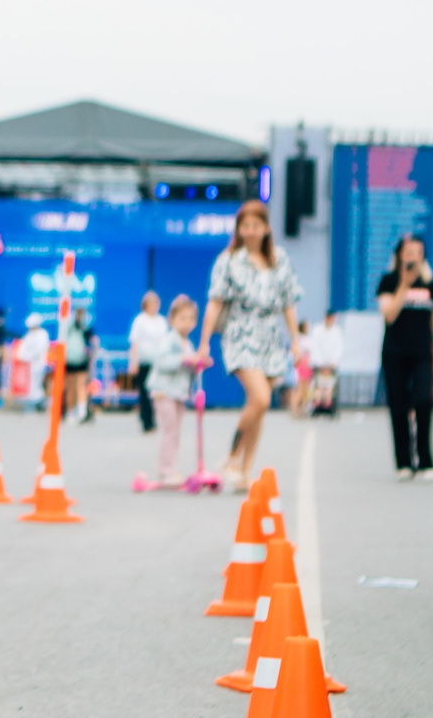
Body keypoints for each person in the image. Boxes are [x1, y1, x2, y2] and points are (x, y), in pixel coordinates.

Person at [196, 199, 301, 496]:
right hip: (240, 334)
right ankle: (231, 458)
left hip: (270, 337)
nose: (251, 231)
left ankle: (245, 471)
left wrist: (295, 341)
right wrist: (203, 344)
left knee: (257, 406)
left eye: (256, 225)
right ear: (239, 229)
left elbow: (288, 303)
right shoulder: (228, 261)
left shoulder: (279, 259)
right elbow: (215, 303)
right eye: (245, 226)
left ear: (266, 228)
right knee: (262, 398)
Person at [375, 233, 433, 480]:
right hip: (395, 353)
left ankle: (426, 459)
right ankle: (404, 461)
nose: (413, 257)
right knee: (399, 406)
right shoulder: (389, 281)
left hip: (422, 352)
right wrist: (404, 285)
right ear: (400, 255)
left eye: (418, 253)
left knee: (424, 400)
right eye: (409, 252)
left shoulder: (430, 285)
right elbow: (389, 315)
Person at [141, 295, 199, 486]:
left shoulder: (187, 343)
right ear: (172, 319)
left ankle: (170, 468)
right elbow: (161, 362)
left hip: (179, 393)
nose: (187, 323)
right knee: (170, 431)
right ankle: (165, 471)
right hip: (163, 391)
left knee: (176, 432)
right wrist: (183, 360)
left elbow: (190, 365)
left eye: (190, 319)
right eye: (182, 318)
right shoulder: (169, 340)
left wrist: (197, 363)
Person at [125, 291, 165, 433]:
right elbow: (134, 343)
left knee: (157, 393)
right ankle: (147, 422)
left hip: (158, 363)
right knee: (145, 392)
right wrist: (133, 362)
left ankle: (156, 418)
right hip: (144, 362)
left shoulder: (161, 321)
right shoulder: (140, 320)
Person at [13, 315, 53, 411]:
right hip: (28, 365)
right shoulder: (28, 335)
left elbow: (39, 350)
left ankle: (39, 402)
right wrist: (24, 357)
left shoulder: (43, 334)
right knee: (31, 385)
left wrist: (28, 356)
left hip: (39, 364)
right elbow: (21, 351)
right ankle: (33, 402)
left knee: (38, 383)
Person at [64, 310, 98, 423]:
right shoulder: (84, 328)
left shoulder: (71, 328)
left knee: (75, 386)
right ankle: (78, 411)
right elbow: (94, 343)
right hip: (77, 360)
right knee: (76, 386)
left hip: (73, 360)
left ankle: (75, 412)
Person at [308, 313, 344, 415]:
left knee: (330, 387)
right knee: (318, 386)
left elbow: (339, 347)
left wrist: (334, 361)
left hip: (332, 365)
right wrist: (319, 362)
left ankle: (330, 407)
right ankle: (317, 407)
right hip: (319, 364)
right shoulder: (317, 330)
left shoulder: (337, 331)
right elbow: (314, 346)